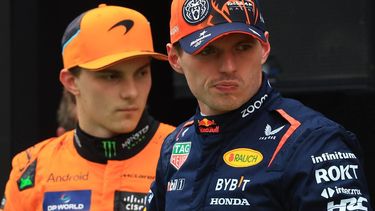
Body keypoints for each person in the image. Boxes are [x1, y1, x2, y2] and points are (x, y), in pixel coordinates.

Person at [146, 0, 374, 210]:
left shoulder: (314, 143)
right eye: (208, 50)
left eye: (242, 47)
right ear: (175, 58)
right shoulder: (176, 144)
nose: (228, 66)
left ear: (264, 48)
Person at [1, 4, 175, 211]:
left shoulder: (185, 154)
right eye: (112, 76)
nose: (131, 92)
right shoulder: (31, 168)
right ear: (71, 82)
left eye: (141, 73)